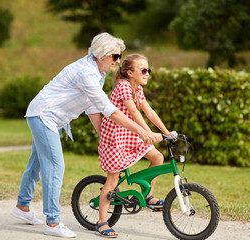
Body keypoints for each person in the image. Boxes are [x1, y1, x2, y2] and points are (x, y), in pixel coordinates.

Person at [10, 33, 162, 238]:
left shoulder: (98, 73)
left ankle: (22, 206)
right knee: (55, 166)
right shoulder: (86, 73)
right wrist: (143, 131)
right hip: (44, 115)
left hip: (49, 117)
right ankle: (52, 223)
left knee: (36, 164)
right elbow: (110, 111)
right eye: (115, 57)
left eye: (119, 57)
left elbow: (92, 107)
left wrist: (104, 135)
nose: (118, 62)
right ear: (101, 55)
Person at [96, 54, 171, 238]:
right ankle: (101, 222)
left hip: (130, 133)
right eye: (143, 70)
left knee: (157, 157)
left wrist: (167, 132)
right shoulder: (123, 86)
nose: (147, 73)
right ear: (129, 73)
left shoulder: (137, 88)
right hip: (116, 137)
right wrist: (148, 133)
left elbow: (149, 112)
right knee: (113, 179)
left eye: (148, 70)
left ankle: (147, 195)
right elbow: (133, 111)